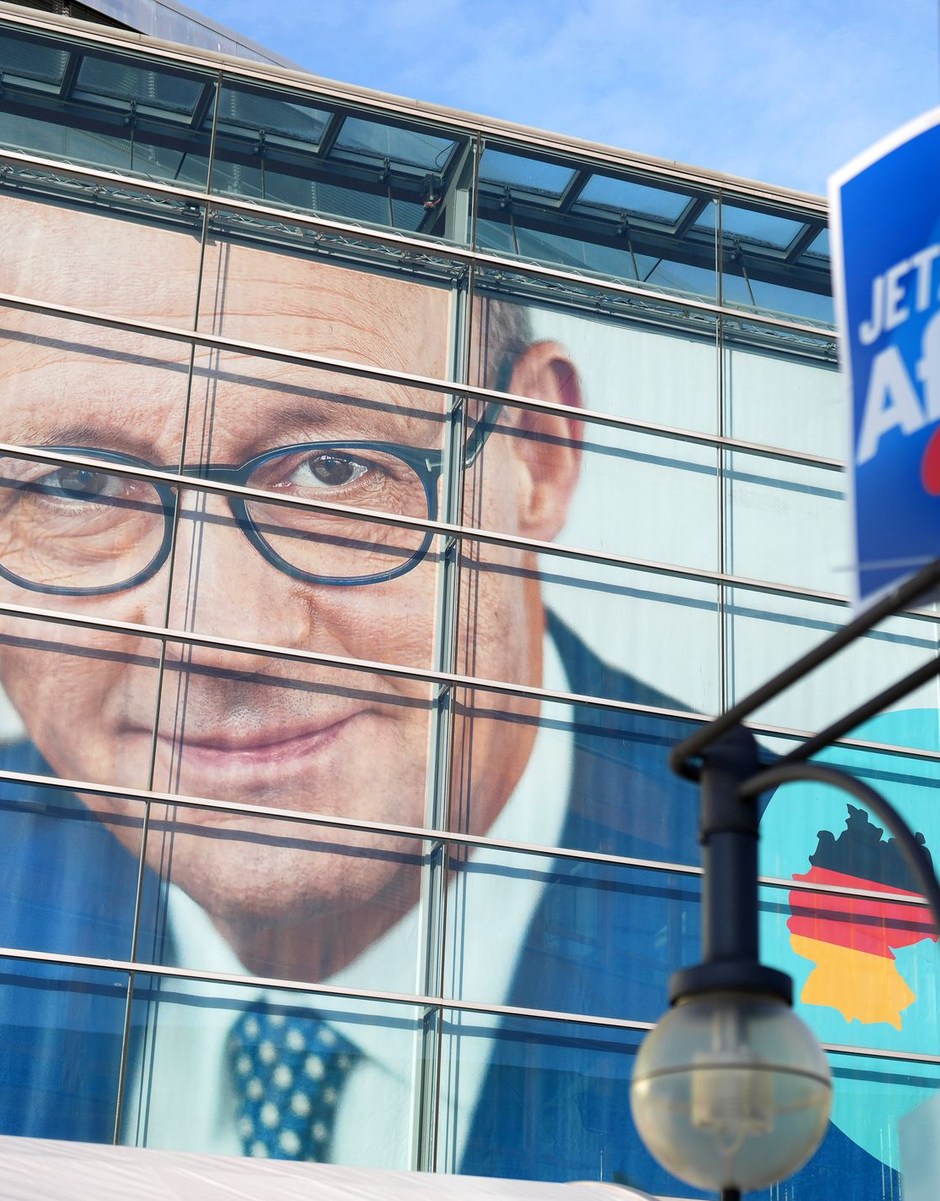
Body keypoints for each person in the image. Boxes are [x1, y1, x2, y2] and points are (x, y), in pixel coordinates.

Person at [0, 191, 697, 1184]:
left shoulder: (875, 955)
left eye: (330, 470)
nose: (217, 634)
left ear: (536, 454)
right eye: (77, 486)